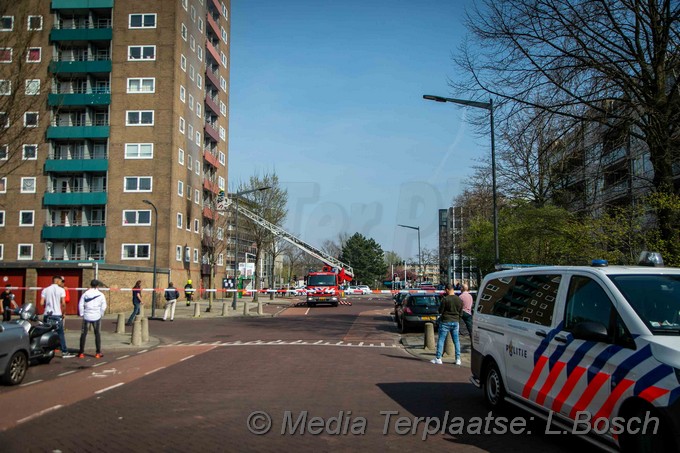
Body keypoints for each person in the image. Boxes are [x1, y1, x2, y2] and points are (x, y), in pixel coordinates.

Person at [40, 276, 75, 358]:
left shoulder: (45, 290)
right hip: (57, 314)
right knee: (60, 333)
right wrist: (64, 313)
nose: (61, 283)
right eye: (61, 281)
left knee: (46, 333)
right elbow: (63, 303)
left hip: (47, 314)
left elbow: (41, 303)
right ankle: (64, 352)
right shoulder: (61, 290)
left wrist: (47, 306)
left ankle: (45, 351)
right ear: (58, 281)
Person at [431, 283, 463, 366]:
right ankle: (458, 359)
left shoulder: (445, 299)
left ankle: (438, 358)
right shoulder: (459, 300)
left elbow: (440, 311)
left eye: (445, 290)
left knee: (441, 340)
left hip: (445, 321)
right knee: (456, 341)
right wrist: (458, 319)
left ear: (447, 290)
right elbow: (461, 312)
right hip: (455, 321)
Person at [77, 279, 107, 359]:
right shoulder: (101, 294)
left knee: (83, 334)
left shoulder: (86, 294)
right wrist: (101, 313)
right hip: (96, 316)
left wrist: (82, 313)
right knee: (97, 334)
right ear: (97, 286)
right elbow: (104, 306)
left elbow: (80, 304)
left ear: (90, 285)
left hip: (87, 316)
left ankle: (81, 353)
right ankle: (98, 353)